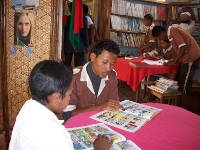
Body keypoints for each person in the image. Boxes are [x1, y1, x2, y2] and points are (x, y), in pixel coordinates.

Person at [9, 60, 113, 150]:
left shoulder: (28, 107)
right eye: (69, 94)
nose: (69, 98)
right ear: (57, 97)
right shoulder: (56, 134)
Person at [62, 39, 122, 120]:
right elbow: (67, 114)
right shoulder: (74, 78)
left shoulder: (112, 76)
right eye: (104, 62)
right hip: (78, 123)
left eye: (112, 64)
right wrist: (98, 108)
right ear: (92, 57)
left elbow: (114, 103)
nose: (108, 68)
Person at [152, 25, 200, 95]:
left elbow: (182, 47)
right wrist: (172, 60)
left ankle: (183, 101)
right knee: (180, 79)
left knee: (185, 81)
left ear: (161, 33)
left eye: (159, 38)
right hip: (186, 58)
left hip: (191, 57)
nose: (160, 39)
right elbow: (179, 50)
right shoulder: (171, 33)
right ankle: (179, 99)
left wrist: (175, 61)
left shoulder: (173, 30)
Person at [63, 2, 89, 67]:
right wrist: (87, 45)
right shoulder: (83, 19)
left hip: (68, 44)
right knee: (79, 65)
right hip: (79, 45)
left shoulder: (66, 18)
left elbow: (64, 31)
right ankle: (78, 77)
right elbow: (85, 33)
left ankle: (66, 76)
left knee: (67, 64)